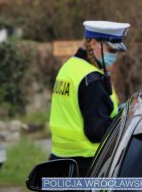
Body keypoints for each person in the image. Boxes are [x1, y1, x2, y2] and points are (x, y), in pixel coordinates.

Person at [49, 21, 130, 176]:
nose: (114, 55)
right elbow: (97, 131)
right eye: (110, 50)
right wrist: (124, 121)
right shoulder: (92, 79)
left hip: (58, 159)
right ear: (93, 43)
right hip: (86, 164)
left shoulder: (69, 68)